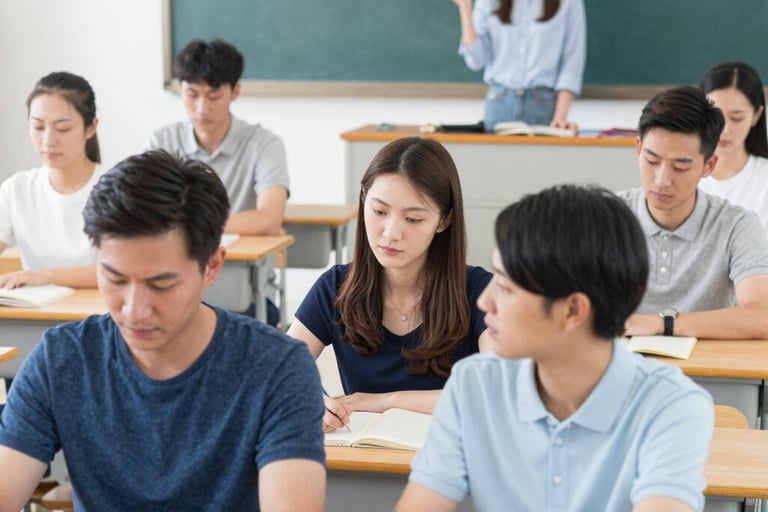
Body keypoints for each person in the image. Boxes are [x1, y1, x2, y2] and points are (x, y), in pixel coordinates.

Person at [0, 150, 325, 511]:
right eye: (115, 278)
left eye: (161, 285)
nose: (134, 310)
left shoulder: (278, 368)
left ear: (212, 267)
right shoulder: (61, 360)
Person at [396, 184, 714, 512]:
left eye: (505, 286)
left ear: (573, 310)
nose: (483, 300)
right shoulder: (473, 384)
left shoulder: (671, 406)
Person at [287, 137, 491, 431]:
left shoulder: (480, 291)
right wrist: (311, 399)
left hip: (452, 461)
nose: (391, 232)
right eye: (380, 212)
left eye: (413, 219)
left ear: (444, 221)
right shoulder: (335, 286)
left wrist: (384, 401)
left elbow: (495, 393)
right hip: (367, 464)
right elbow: (280, 371)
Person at [148, 39, 288, 327]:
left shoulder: (264, 144)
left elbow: (268, 219)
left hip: (247, 293)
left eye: (213, 96)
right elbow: (146, 215)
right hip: (172, 285)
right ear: (180, 89)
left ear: (234, 91)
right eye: (192, 94)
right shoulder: (162, 142)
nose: (201, 108)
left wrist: (187, 224)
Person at [620, 86, 768, 339]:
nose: (662, 180)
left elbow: (762, 316)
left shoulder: (738, 225)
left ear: (708, 165)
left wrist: (661, 323)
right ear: (638, 149)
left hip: (711, 374)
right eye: (652, 161)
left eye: (680, 167)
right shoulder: (607, 216)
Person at [0, 71, 103, 289]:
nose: (48, 140)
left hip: (99, 316)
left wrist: (46, 276)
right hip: (36, 315)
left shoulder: (117, 189)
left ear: (90, 127)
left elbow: (119, 271)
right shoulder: (16, 190)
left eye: (63, 128)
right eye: (38, 127)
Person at [450, 0, 586, 132]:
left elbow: (571, 65)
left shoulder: (569, 2)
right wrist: (465, 7)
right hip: (499, 103)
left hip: (545, 106)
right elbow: (476, 60)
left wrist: (560, 118)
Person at [698, 61, 768, 234]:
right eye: (715, 116)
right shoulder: (681, 172)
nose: (724, 130)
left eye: (737, 117)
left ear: (756, 115)